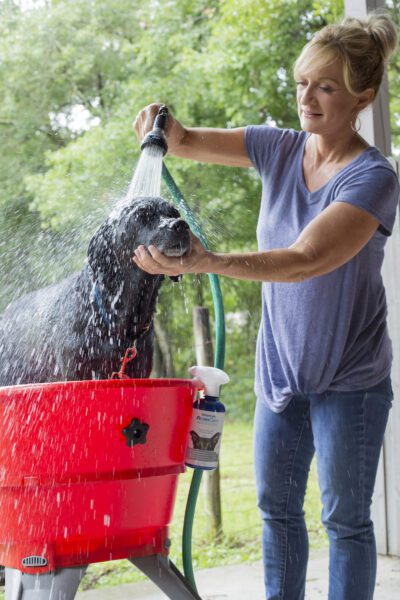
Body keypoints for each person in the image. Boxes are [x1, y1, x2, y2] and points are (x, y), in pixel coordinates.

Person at [133, 10, 399, 600]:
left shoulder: (373, 177)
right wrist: (164, 124)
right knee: (276, 512)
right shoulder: (277, 148)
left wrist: (206, 260)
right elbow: (184, 141)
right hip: (281, 372)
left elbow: (305, 258)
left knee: (345, 522)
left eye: (326, 86)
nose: (308, 97)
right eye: (303, 82)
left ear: (363, 95)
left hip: (350, 380)